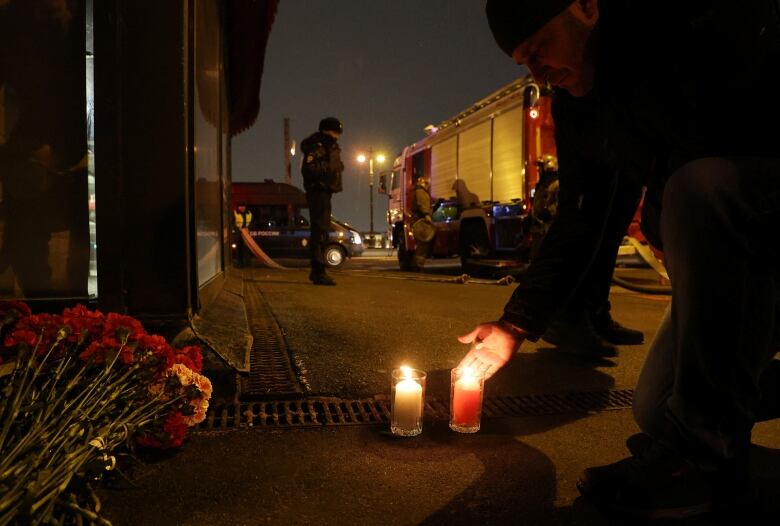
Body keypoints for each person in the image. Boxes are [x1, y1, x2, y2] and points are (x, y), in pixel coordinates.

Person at [458, 0, 780, 519]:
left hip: (759, 231)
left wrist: (667, 208)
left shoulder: (678, 31)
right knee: (657, 408)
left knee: (700, 188)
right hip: (735, 272)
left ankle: (706, 463)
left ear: (585, 8)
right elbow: (578, 220)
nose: (537, 70)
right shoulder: (579, 107)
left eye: (540, 47)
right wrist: (513, 326)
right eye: (523, 61)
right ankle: (705, 425)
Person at [300, 117, 344, 286]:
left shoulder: (326, 145)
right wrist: (328, 173)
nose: (337, 136)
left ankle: (318, 270)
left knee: (322, 230)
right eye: (336, 132)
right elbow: (309, 169)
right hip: (319, 190)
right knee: (319, 230)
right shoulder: (318, 145)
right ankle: (318, 271)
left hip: (324, 190)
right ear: (328, 130)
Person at [410, 176, 435, 271]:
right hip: (421, 221)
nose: (429, 187)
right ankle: (418, 266)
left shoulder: (418, 191)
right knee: (423, 243)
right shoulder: (421, 192)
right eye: (427, 184)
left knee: (421, 244)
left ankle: (416, 265)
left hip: (418, 220)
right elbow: (423, 204)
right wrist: (427, 215)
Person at [232, 202, 253, 267]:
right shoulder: (235, 213)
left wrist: (249, 228)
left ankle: (247, 263)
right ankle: (239, 264)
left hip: (246, 233)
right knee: (239, 249)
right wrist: (237, 229)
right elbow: (232, 223)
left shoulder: (249, 213)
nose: (242, 208)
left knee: (246, 248)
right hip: (238, 233)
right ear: (238, 207)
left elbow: (251, 223)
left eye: (243, 206)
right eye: (240, 206)